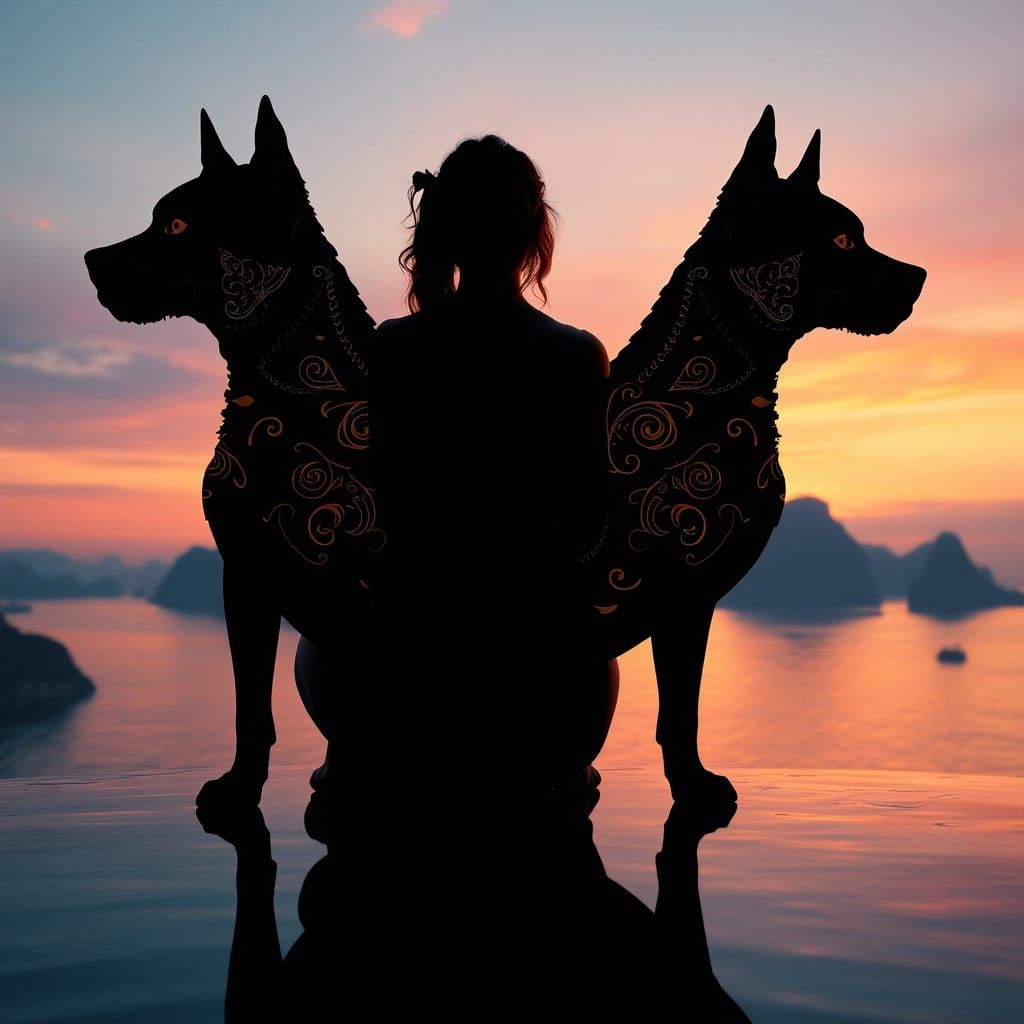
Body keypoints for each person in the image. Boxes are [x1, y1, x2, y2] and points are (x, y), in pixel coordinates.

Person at [370, 135, 618, 808]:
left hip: (408, 677)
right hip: (552, 689)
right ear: (537, 231)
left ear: (441, 229)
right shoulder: (575, 356)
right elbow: (596, 525)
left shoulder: (394, 350)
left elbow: (379, 512)